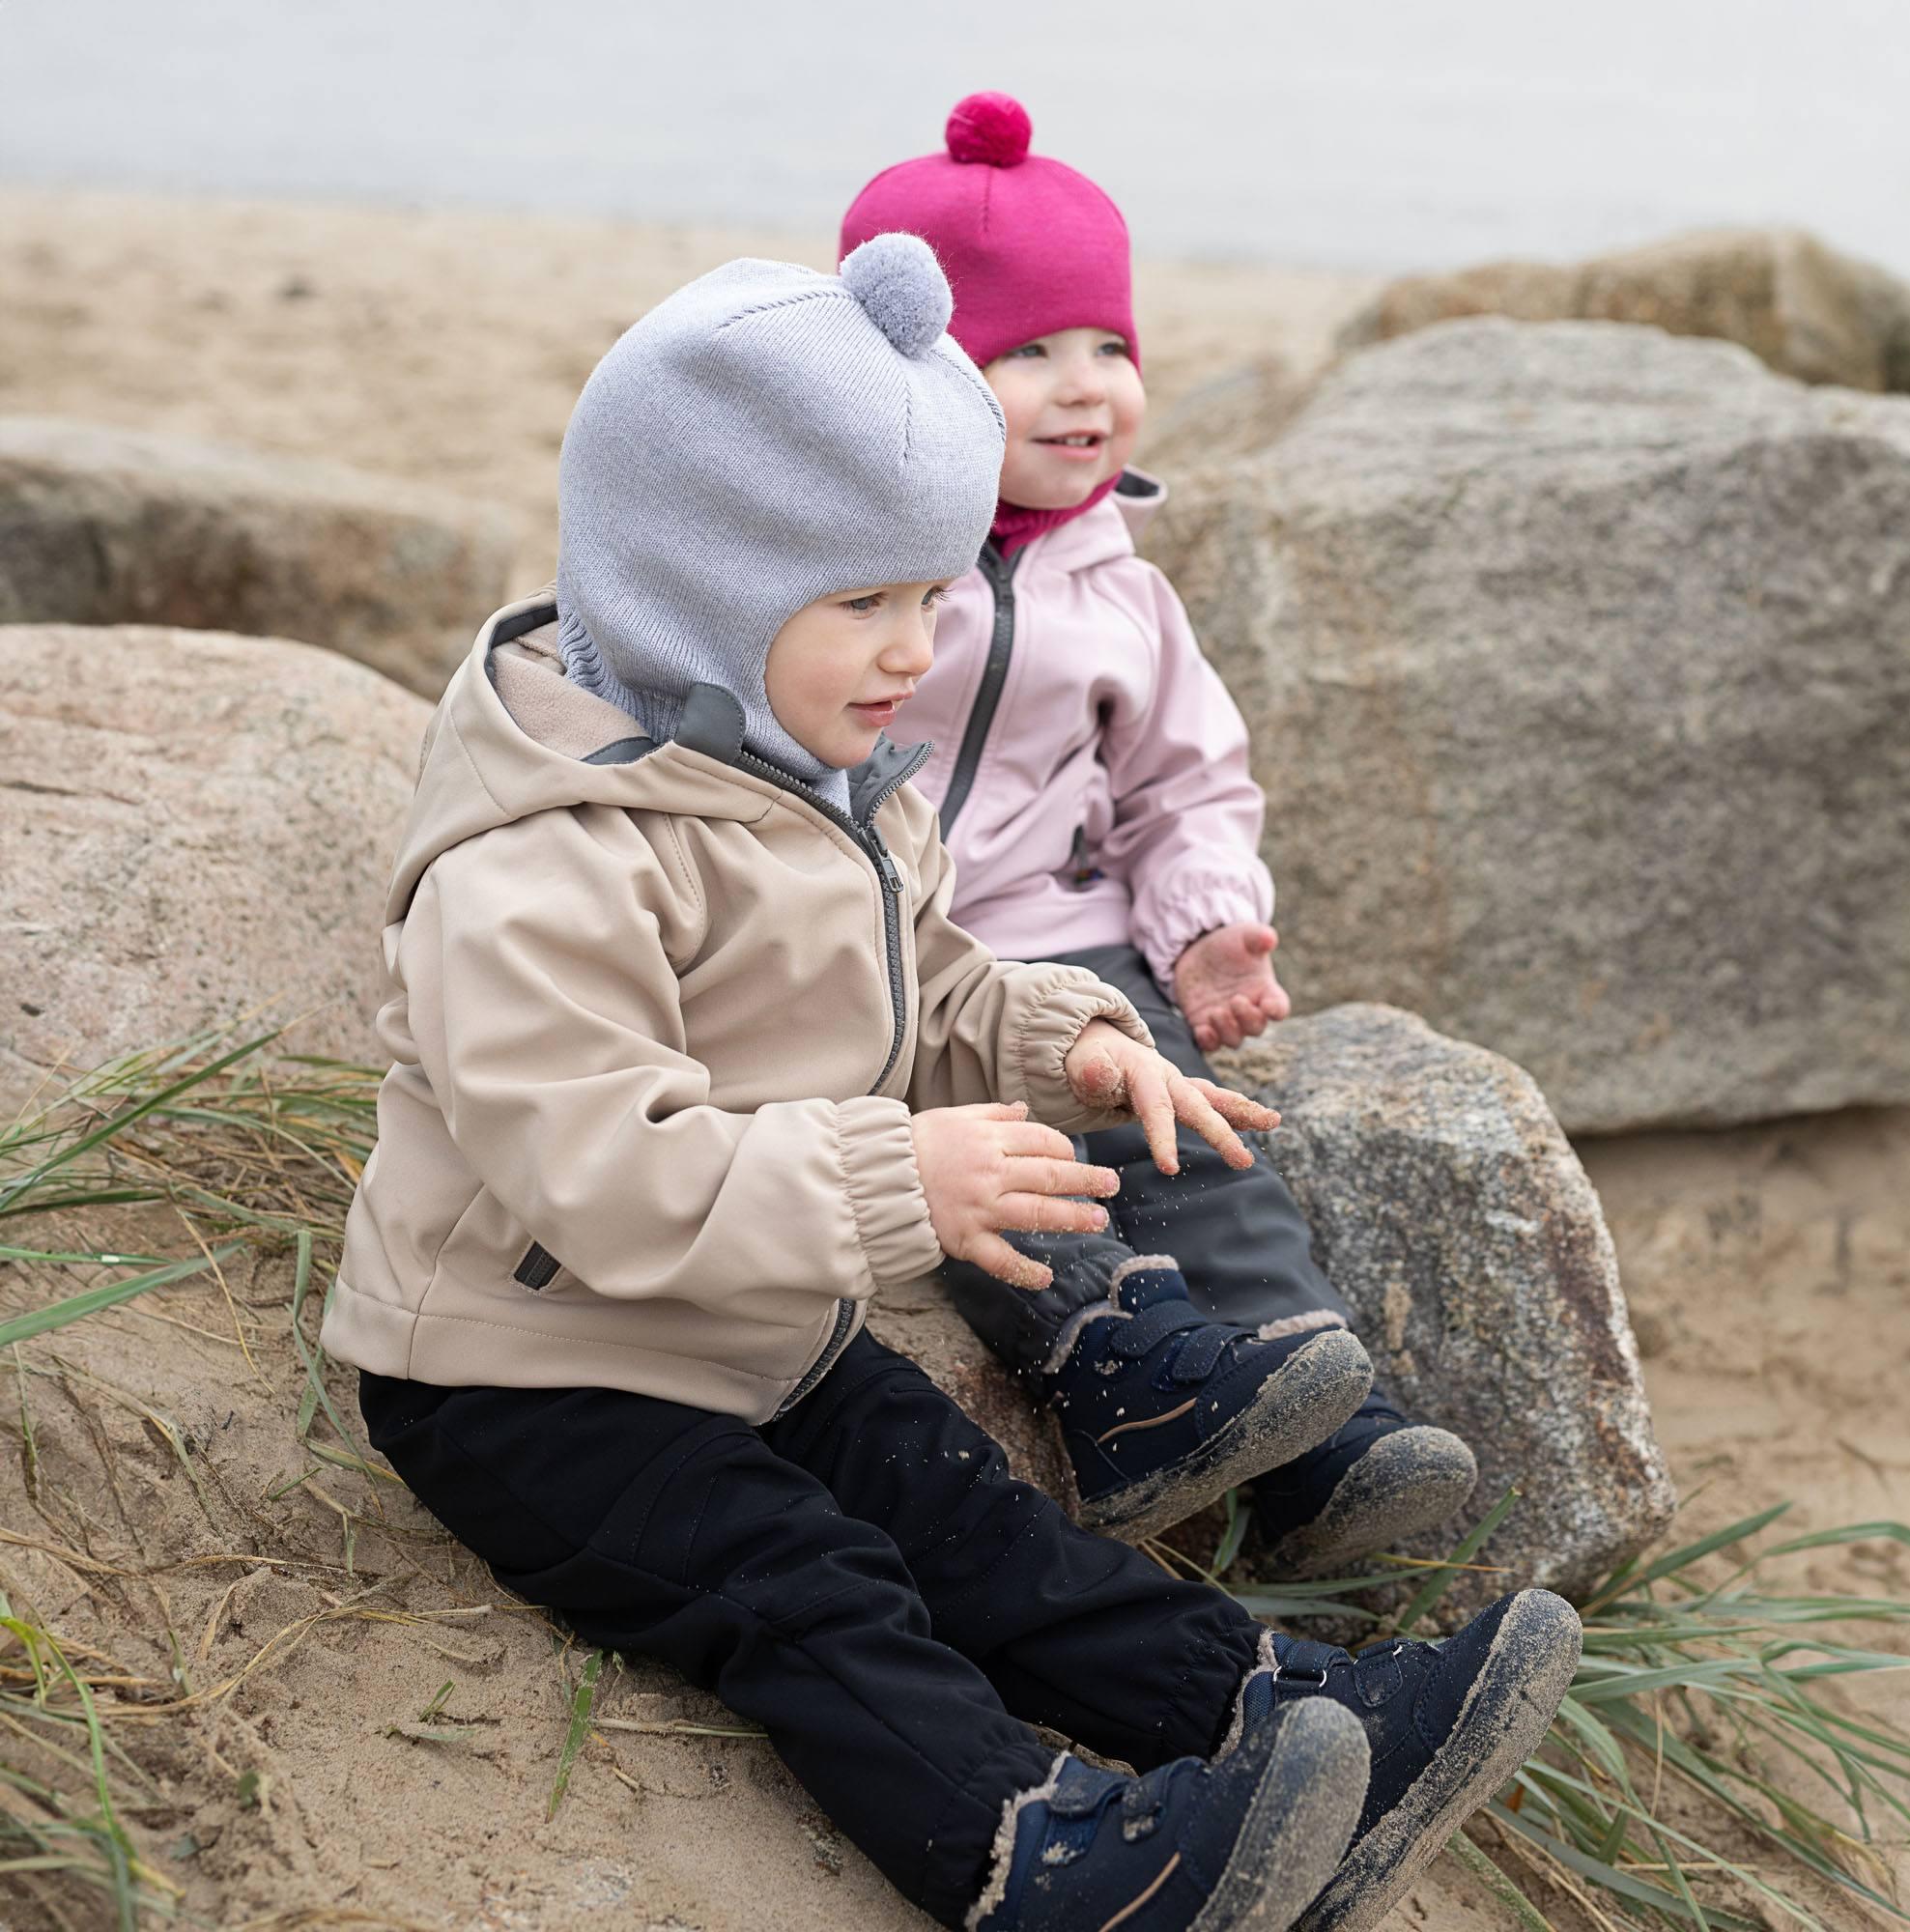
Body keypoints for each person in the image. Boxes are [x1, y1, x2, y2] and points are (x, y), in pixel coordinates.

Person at [320, 234, 1580, 1931]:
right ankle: (1035, 1859)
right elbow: (596, 1167)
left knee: (979, 1525)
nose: (918, 647)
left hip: (749, 1326)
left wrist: (1072, 1038)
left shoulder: (816, 767)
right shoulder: (541, 861)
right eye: (863, 604)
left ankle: (1265, 1707)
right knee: (804, 1586)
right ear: (700, 583)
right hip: (526, 1376)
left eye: (932, 595)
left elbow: (934, 971)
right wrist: (897, 1184)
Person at [839, 96, 1481, 1574]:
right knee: (1007, 1175)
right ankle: (1126, 1377)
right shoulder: (861, 574)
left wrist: (1200, 925)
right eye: (1029, 354)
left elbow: (1186, 781)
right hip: (899, 952)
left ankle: (1333, 1439)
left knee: (1200, 1151)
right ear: (914, 382)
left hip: (1079, 946)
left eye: (1111, 348)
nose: (1088, 389)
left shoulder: (1118, 585)